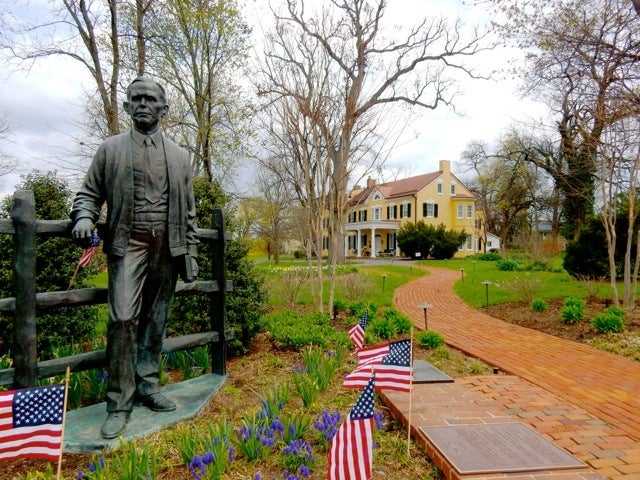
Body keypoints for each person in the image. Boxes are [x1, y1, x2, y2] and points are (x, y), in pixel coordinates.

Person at [71, 76, 198, 439]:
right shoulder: (110, 150)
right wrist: (83, 217)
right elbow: (88, 194)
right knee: (123, 318)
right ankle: (119, 402)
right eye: (135, 98)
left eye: (150, 99)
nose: (142, 104)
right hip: (128, 243)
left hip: (167, 246)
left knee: (156, 320)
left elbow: (189, 211)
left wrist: (189, 251)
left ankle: (147, 386)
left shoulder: (179, 156)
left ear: (164, 108)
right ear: (126, 106)